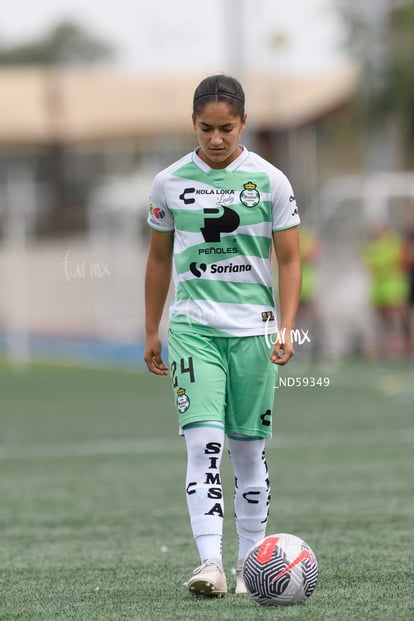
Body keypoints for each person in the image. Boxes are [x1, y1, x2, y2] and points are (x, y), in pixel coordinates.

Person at [144, 74, 301, 597]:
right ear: (193, 123)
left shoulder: (271, 181)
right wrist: (152, 329)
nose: (216, 139)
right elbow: (159, 258)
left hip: (253, 333)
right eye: (207, 128)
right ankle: (209, 562)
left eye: (226, 129)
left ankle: (247, 566)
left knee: (248, 454)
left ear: (243, 125)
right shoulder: (168, 183)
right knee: (203, 446)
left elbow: (291, 258)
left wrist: (287, 324)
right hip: (194, 331)